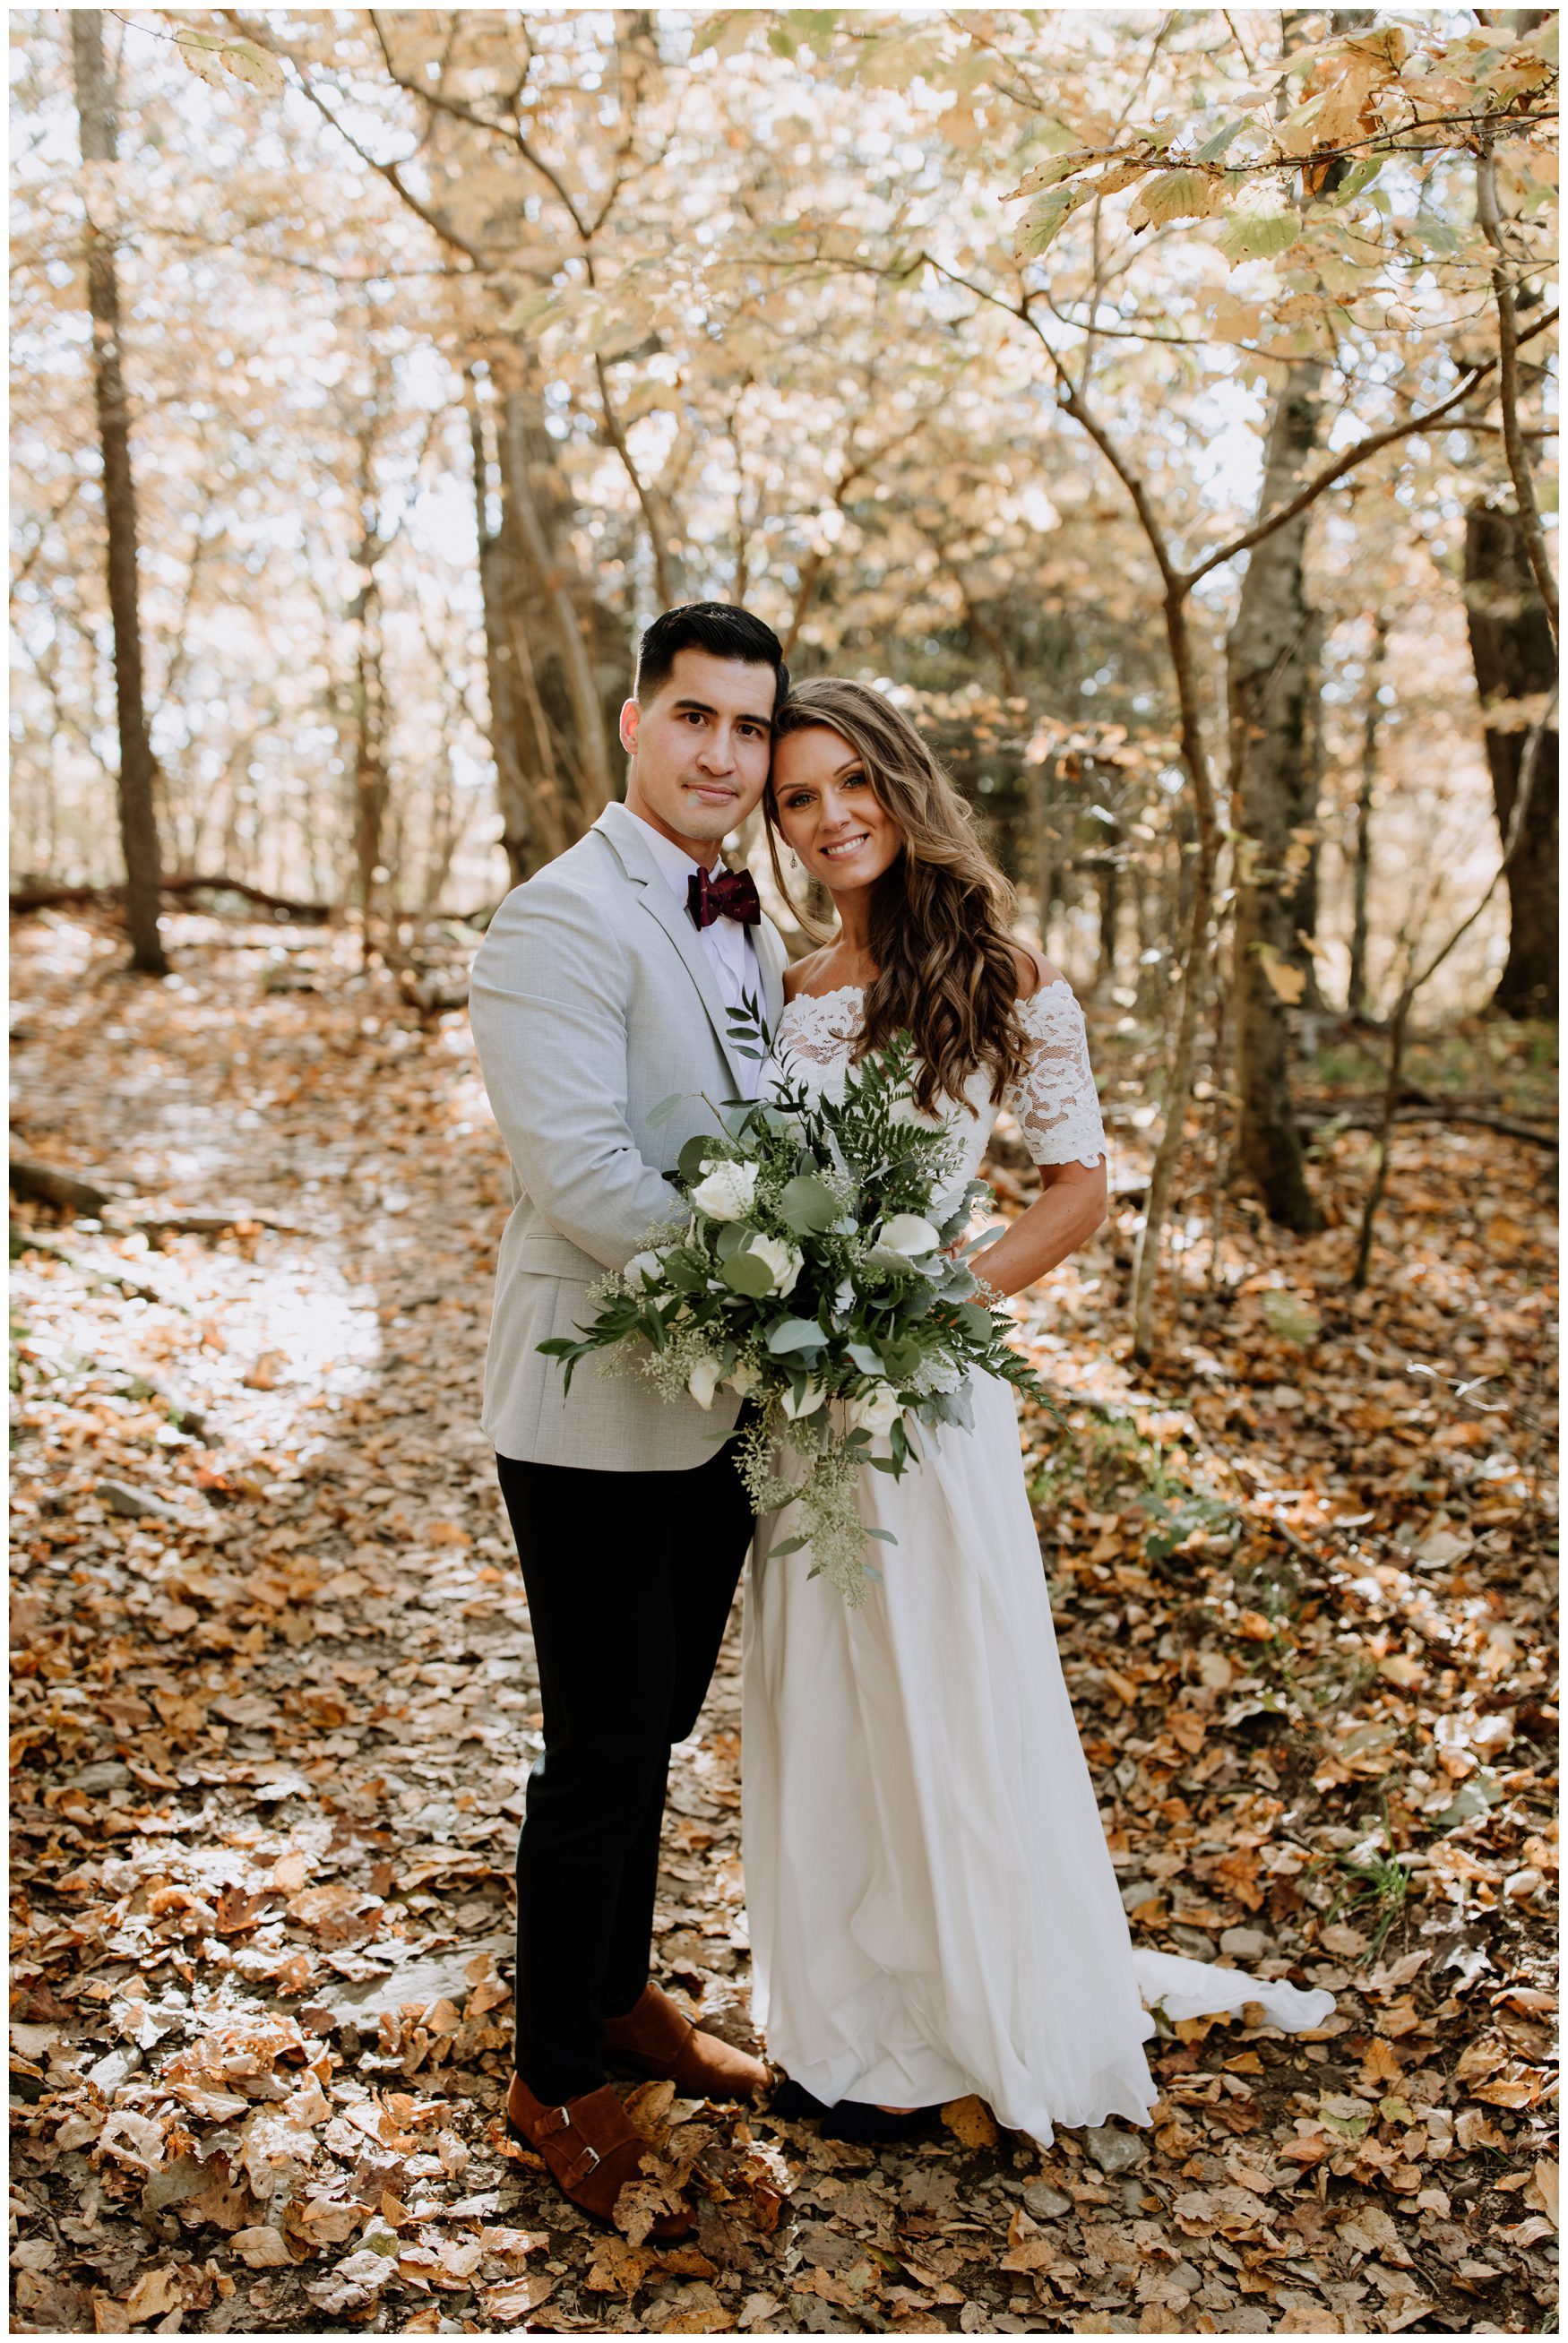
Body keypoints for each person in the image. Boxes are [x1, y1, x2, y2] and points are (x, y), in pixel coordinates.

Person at [743, 677, 1333, 2146]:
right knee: (824, 1700)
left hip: (927, 1390)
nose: (827, 819)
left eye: (848, 784)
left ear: (900, 781)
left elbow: (1079, 1188)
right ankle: (842, 2024)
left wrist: (944, 1291)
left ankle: (961, 2017)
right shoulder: (786, 984)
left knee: (941, 1685)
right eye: (796, 799)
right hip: (805, 1394)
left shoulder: (1006, 973)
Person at [468, 603, 789, 2235]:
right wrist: (790, 1274)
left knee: (654, 1724)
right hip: (593, 1401)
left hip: (717, 1403)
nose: (723, 753)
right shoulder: (554, 920)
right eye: (695, 718)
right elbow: (585, 1177)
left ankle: (612, 1995)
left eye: (749, 727)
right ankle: (550, 2078)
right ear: (631, 723)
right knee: (597, 1749)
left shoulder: (744, 915)